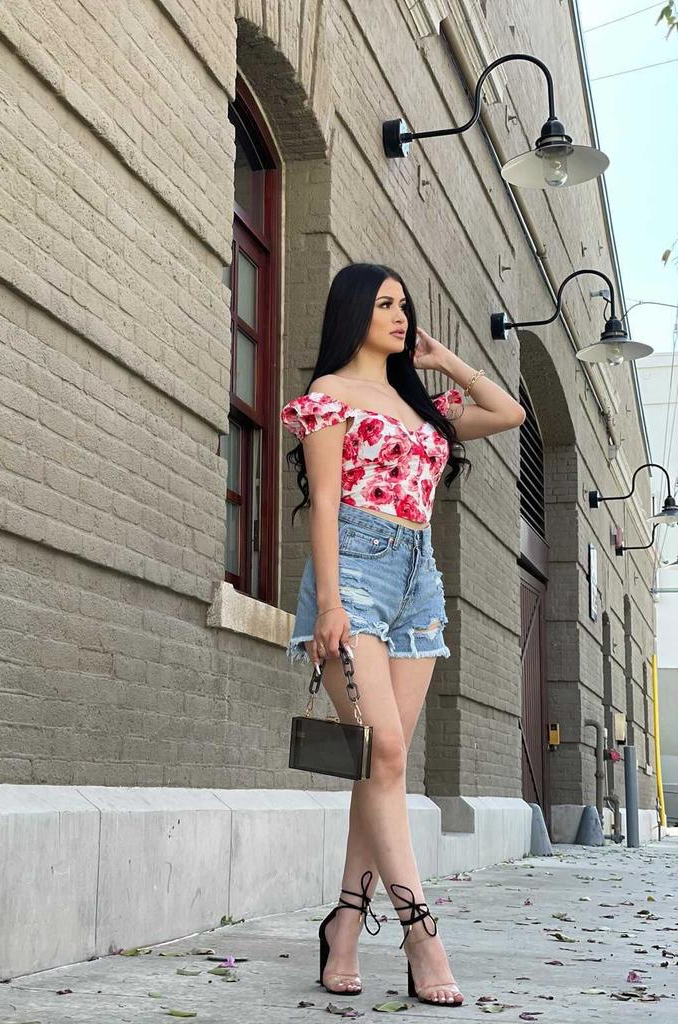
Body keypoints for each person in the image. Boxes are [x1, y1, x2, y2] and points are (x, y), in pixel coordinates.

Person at [280, 263, 525, 1006]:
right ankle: (421, 932)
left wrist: (444, 359)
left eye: (403, 304)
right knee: (383, 751)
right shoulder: (330, 397)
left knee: (379, 765)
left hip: (419, 578)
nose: (397, 313)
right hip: (353, 568)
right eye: (383, 302)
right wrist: (328, 604)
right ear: (352, 310)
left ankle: (345, 927)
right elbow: (324, 502)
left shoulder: (424, 405)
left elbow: (508, 413)